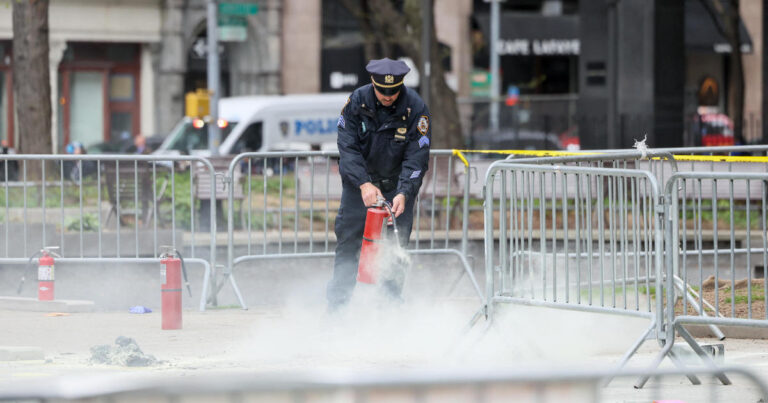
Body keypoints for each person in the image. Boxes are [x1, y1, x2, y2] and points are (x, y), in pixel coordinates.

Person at [326, 58, 432, 311]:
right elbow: (347, 148)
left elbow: (417, 156)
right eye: (382, 91)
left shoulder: (416, 108)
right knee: (348, 243)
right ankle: (336, 309)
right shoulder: (356, 102)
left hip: (398, 187)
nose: (387, 96)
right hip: (360, 187)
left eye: (393, 91)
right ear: (373, 84)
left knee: (396, 248)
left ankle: (390, 308)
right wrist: (363, 183)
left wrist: (405, 192)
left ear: (401, 86)